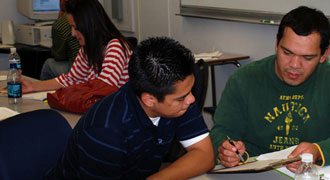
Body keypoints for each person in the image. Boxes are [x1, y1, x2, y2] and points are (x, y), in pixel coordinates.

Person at [210, 6, 330, 172]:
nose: (294, 65)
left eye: (307, 57)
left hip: (312, 171)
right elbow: (222, 131)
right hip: (253, 170)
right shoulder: (244, 79)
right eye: (287, 53)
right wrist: (226, 150)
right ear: (276, 44)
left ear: (324, 55)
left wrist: (318, 151)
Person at [44, 37, 215, 180]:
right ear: (149, 100)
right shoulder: (106, 131)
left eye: (190, 92)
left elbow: (204, 155)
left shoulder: (178, 97)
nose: (191, 99)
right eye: (182, 97)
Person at [22, 0, 133, 93]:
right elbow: (70, 79)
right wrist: (32, 86)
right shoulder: (87, 47)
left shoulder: (115, 46)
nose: (73, 33)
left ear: (89, 25)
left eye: (76, 27)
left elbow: (102, 89)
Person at [40, 0, 80, 80]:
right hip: (96, 68)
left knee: (48, 64)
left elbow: (59, 57)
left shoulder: (62, 23)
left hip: (79, 72)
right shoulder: (94, 15)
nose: (73, 33)